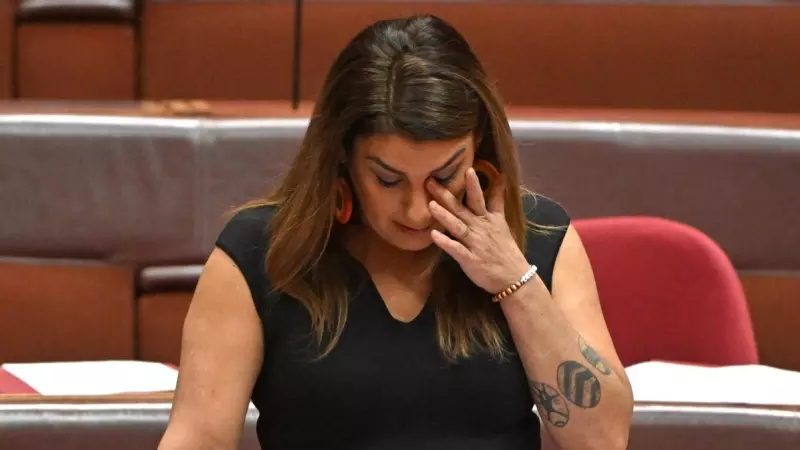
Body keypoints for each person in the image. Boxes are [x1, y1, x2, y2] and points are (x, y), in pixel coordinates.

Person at [158, 14, 633, 450]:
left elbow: (604, 440)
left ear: (479, 150)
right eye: (387, 179)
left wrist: (515, 281)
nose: (416, 208)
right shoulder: (262, 251)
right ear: (341, 157)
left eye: (445, 175)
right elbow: (198, 438)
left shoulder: (541, 239)